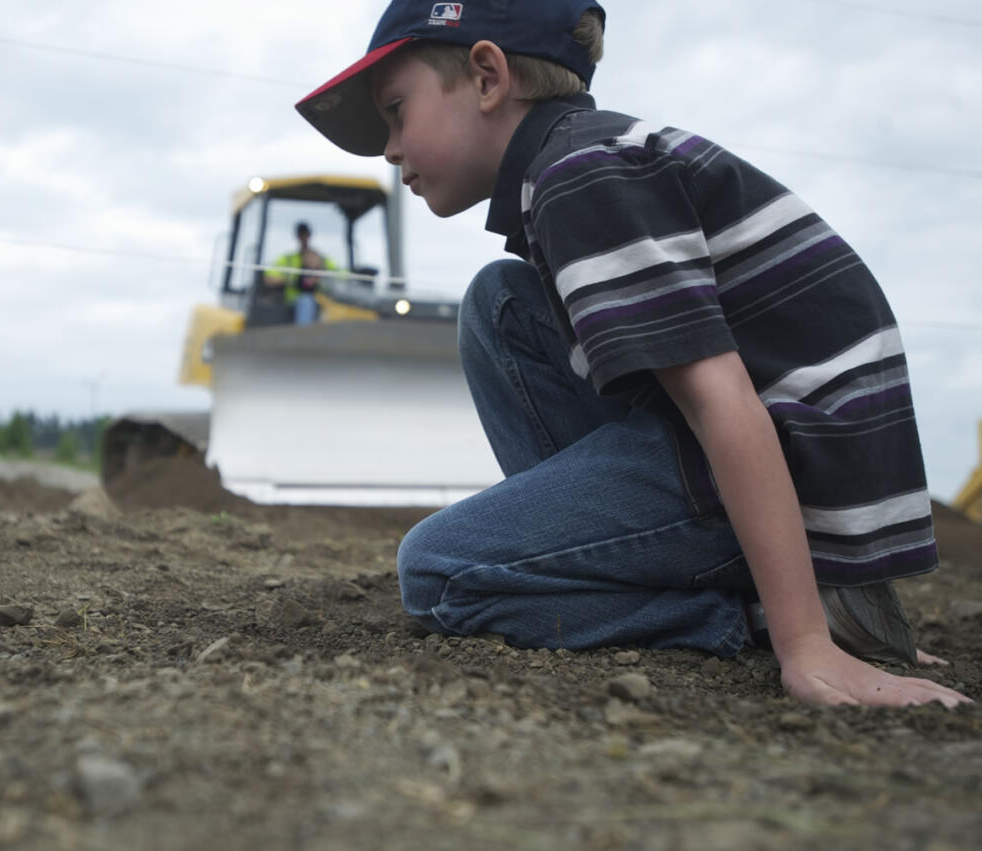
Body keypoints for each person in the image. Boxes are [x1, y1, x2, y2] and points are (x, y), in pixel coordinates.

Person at [296, 0, 971, 708]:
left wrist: (805, 645)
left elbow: (725, 400)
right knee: (502, 303)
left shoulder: (579, 175)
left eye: (398, 111)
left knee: (439, 573)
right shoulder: (578, 162)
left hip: (800, 488)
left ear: (489, 77)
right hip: (781, 468)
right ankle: (649, 569)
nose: (389, 148)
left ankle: (762, 614)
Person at [263, 221, 338, 325]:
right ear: (297, 236)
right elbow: (269, 279)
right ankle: (303, 336)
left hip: (323, 301)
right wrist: (292, 280)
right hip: (293, 302)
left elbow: (342, 276)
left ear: (309, 235)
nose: (303, 238)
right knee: (306, 301)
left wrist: (320, 272)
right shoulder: (288, 259)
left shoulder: (322, 260)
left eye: (305, 234)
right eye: (301, 234)